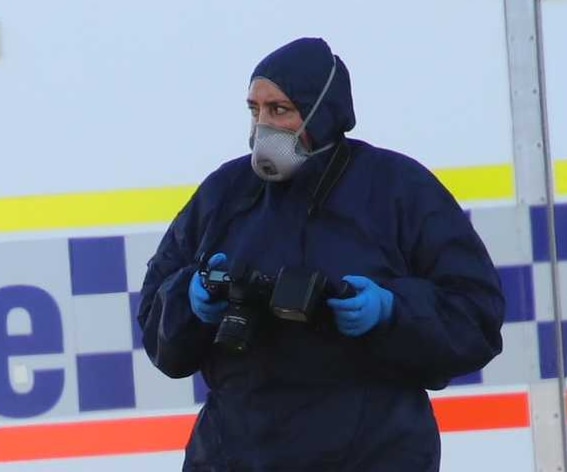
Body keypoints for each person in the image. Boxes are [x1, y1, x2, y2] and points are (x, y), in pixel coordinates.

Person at [137, 37, 505, 472]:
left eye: (279, 110)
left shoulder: (396, 189)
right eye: (255, 110)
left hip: (371, 453)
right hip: (237, 452)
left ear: (321, 112)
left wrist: (393, 311)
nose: (262, 128)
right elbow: (155, 317)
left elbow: (476, 312)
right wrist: (191, 300)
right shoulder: (226, 193)